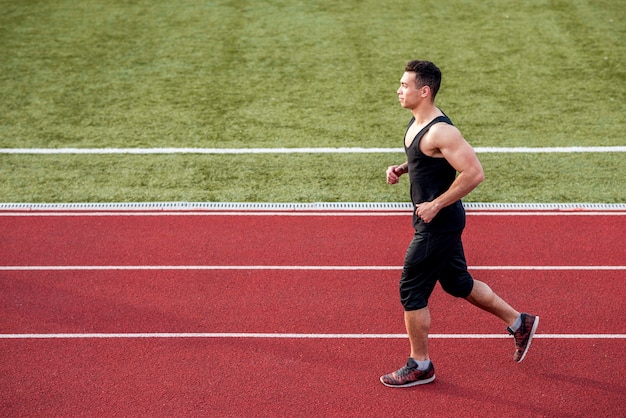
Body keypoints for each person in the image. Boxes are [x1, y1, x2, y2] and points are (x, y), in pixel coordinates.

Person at [380, 60, 539, 388]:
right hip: (435, 219)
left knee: (411, 290)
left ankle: (420, 365)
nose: (399, 90)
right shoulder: (418, 124)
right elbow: (429, 158)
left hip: (438, 223)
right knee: (457, 282)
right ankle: (519, 322)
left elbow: (474, 173)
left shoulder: (441, 130)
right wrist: (403, 168)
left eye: (404, 85)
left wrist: (437, 203)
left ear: (424, 91)